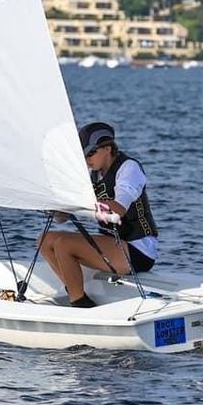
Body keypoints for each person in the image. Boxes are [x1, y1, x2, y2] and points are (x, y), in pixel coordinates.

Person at [36, 121, 160, 307]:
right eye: (84, 156)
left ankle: (79, 302)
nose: (87, 160)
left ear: (108, 148)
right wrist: (55, 206)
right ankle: (74, 289)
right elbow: (61, 218)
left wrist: (81, 204)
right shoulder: (93, 174)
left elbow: (119, 208)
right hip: (113, 243)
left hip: (139, 249)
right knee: (44, 240)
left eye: (91, 153)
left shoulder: (129, 168)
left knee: (64, 244)